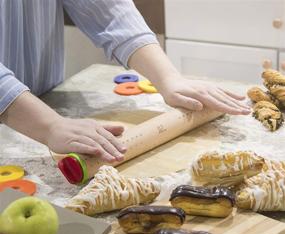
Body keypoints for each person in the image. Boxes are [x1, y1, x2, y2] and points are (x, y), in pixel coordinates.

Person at [0, 0, 250, 163]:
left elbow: (106, 9)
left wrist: (168, 78)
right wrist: (49, 126)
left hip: (45, 102)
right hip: (32, 122)